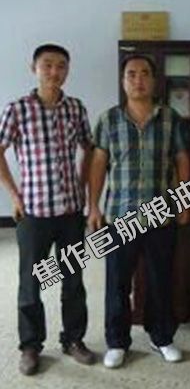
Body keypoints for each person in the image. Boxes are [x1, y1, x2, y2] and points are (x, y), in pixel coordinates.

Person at [88, 54, 190, 368]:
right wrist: (93, 206)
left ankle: (162, 337)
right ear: (123, 81)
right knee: (117, 282)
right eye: (131, 74)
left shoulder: (171, 118)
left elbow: (182, 160)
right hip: (120, 214)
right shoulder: (108, 120)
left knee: (160, 280)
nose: (138, 80)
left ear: (154, 80)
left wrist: (185, 200)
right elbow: (98, 163)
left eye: (145, 73)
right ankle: (117, 342)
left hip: (160, 214)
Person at [0, 44, 95, 375]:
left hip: (70, 212)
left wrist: (82, 186)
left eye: (61, 66)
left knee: (73, 279)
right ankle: (30, 345)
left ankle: (74, 339)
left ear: (67, 70)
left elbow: (89, 148)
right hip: (33, 212)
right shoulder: (18, 109)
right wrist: (15, 195)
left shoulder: (75, 108)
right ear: (34, 68)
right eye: (47, 65)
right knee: (30, 282)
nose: (55, 72)